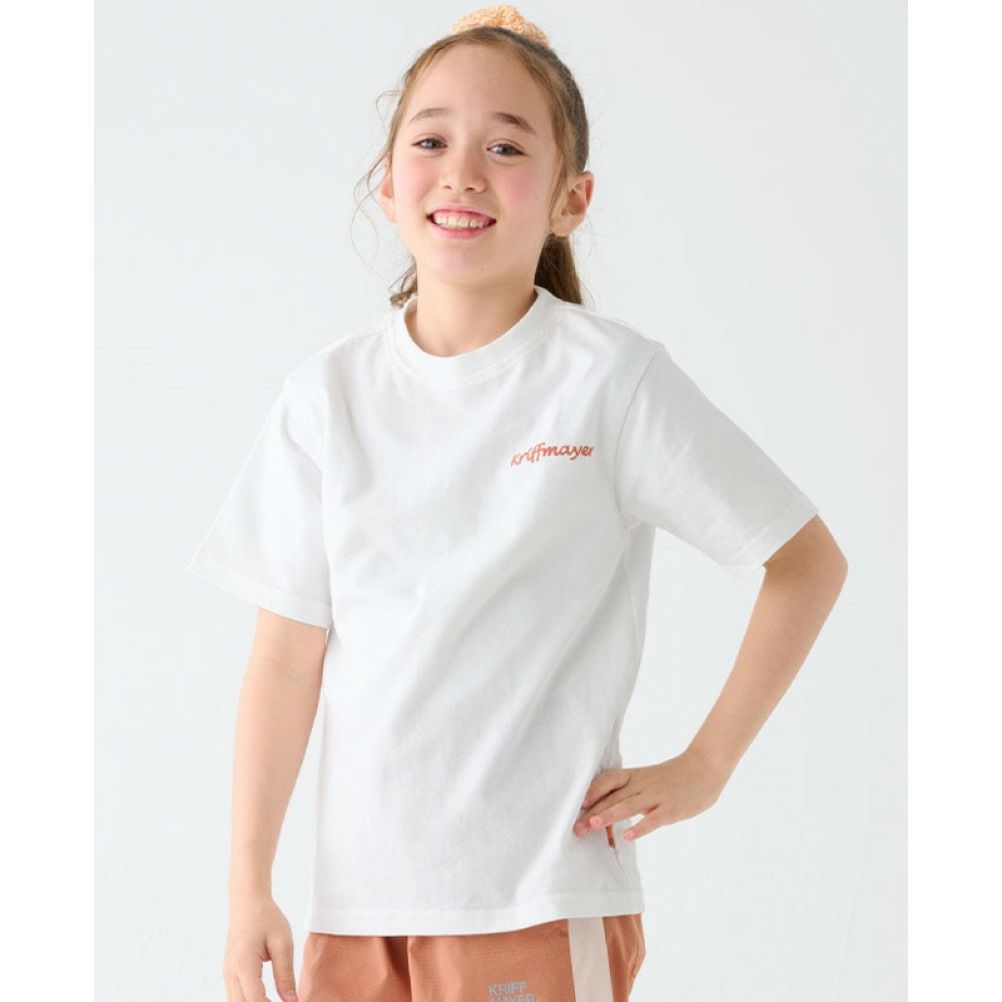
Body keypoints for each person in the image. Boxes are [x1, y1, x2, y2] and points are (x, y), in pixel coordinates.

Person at [187, 5, 849, 1001]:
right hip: (355, 914)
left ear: (571, 199)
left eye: (505, 146)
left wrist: (707, 764)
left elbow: (803, 560)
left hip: (537, 899)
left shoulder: (608, 381)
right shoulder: (325, 398)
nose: (462, 171)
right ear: (387, 183)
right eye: (431, 141)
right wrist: (249, 888)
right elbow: (285, 658)